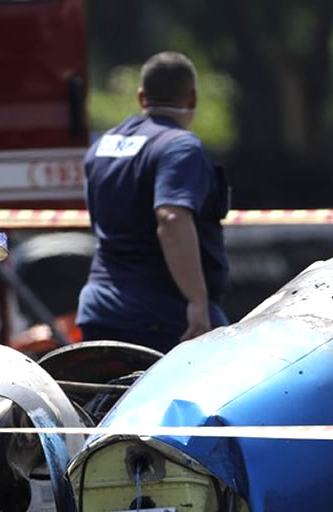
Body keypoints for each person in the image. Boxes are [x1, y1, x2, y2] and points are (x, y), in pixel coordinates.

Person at [76, 51, 230, 354]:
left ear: (142, 97)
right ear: (193, 99)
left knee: (109, 401)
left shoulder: (104, 146)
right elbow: (171, 219)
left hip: (100, 308)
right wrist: (197, 301)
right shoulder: (180, 146)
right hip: (161, 313)